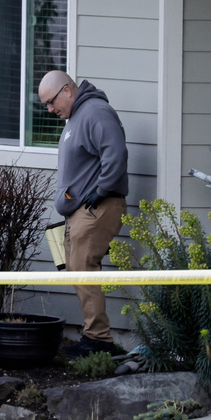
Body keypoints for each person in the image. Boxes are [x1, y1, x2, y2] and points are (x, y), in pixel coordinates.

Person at [38, 70, 129, 359]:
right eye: (46, 106)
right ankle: (94, 336)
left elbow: (115, 153)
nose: (50, 110)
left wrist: (99, 192)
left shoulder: (95, 112)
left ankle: (99, 340)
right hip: (79, 211)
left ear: (67, 90)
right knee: (74, 269)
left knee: (83, 268)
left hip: (98, 207)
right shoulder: (75, 118)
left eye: (51, 102)